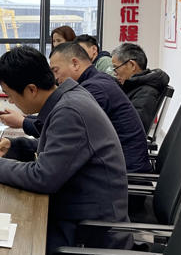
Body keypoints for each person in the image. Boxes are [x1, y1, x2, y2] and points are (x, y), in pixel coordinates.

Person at [0, 47, 130, 255]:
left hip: (89, 236)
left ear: (31, 89)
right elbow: (63, 150)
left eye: (10, 94)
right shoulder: (69, 98)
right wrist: (16, 145)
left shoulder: (69, 111)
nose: (11, 101)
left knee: (6, 253)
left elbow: (43, 177)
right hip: (79, 215)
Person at [49, 43, 151, 172]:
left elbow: (68, 130)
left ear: (75, 64)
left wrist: (27, 124)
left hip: (123, 171)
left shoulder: (95, 89)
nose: (55, 78)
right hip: (119, 163)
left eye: (56, 70)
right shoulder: (97, 82)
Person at [111, 43, 170, 133]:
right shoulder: (132, 86)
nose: (114, 73)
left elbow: (133, 128)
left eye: (116, 67)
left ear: (132, 65)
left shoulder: (146, 92)